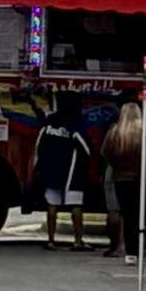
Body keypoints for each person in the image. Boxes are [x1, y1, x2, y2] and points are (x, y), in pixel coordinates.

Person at [102, 102, 146, 266]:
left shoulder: (115, 132)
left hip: (122, 178)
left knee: (128, 216)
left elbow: (106, 153)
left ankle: (131, 253)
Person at [33, 91, 92, 251]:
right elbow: (86, 150)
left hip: (50, 171)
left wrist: (38, 169)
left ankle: (51, 241)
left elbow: (38, 149)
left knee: (52, 204)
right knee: (76, 205)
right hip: (71, 174)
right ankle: (78, 241)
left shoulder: (47, 127)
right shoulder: (74, 126)